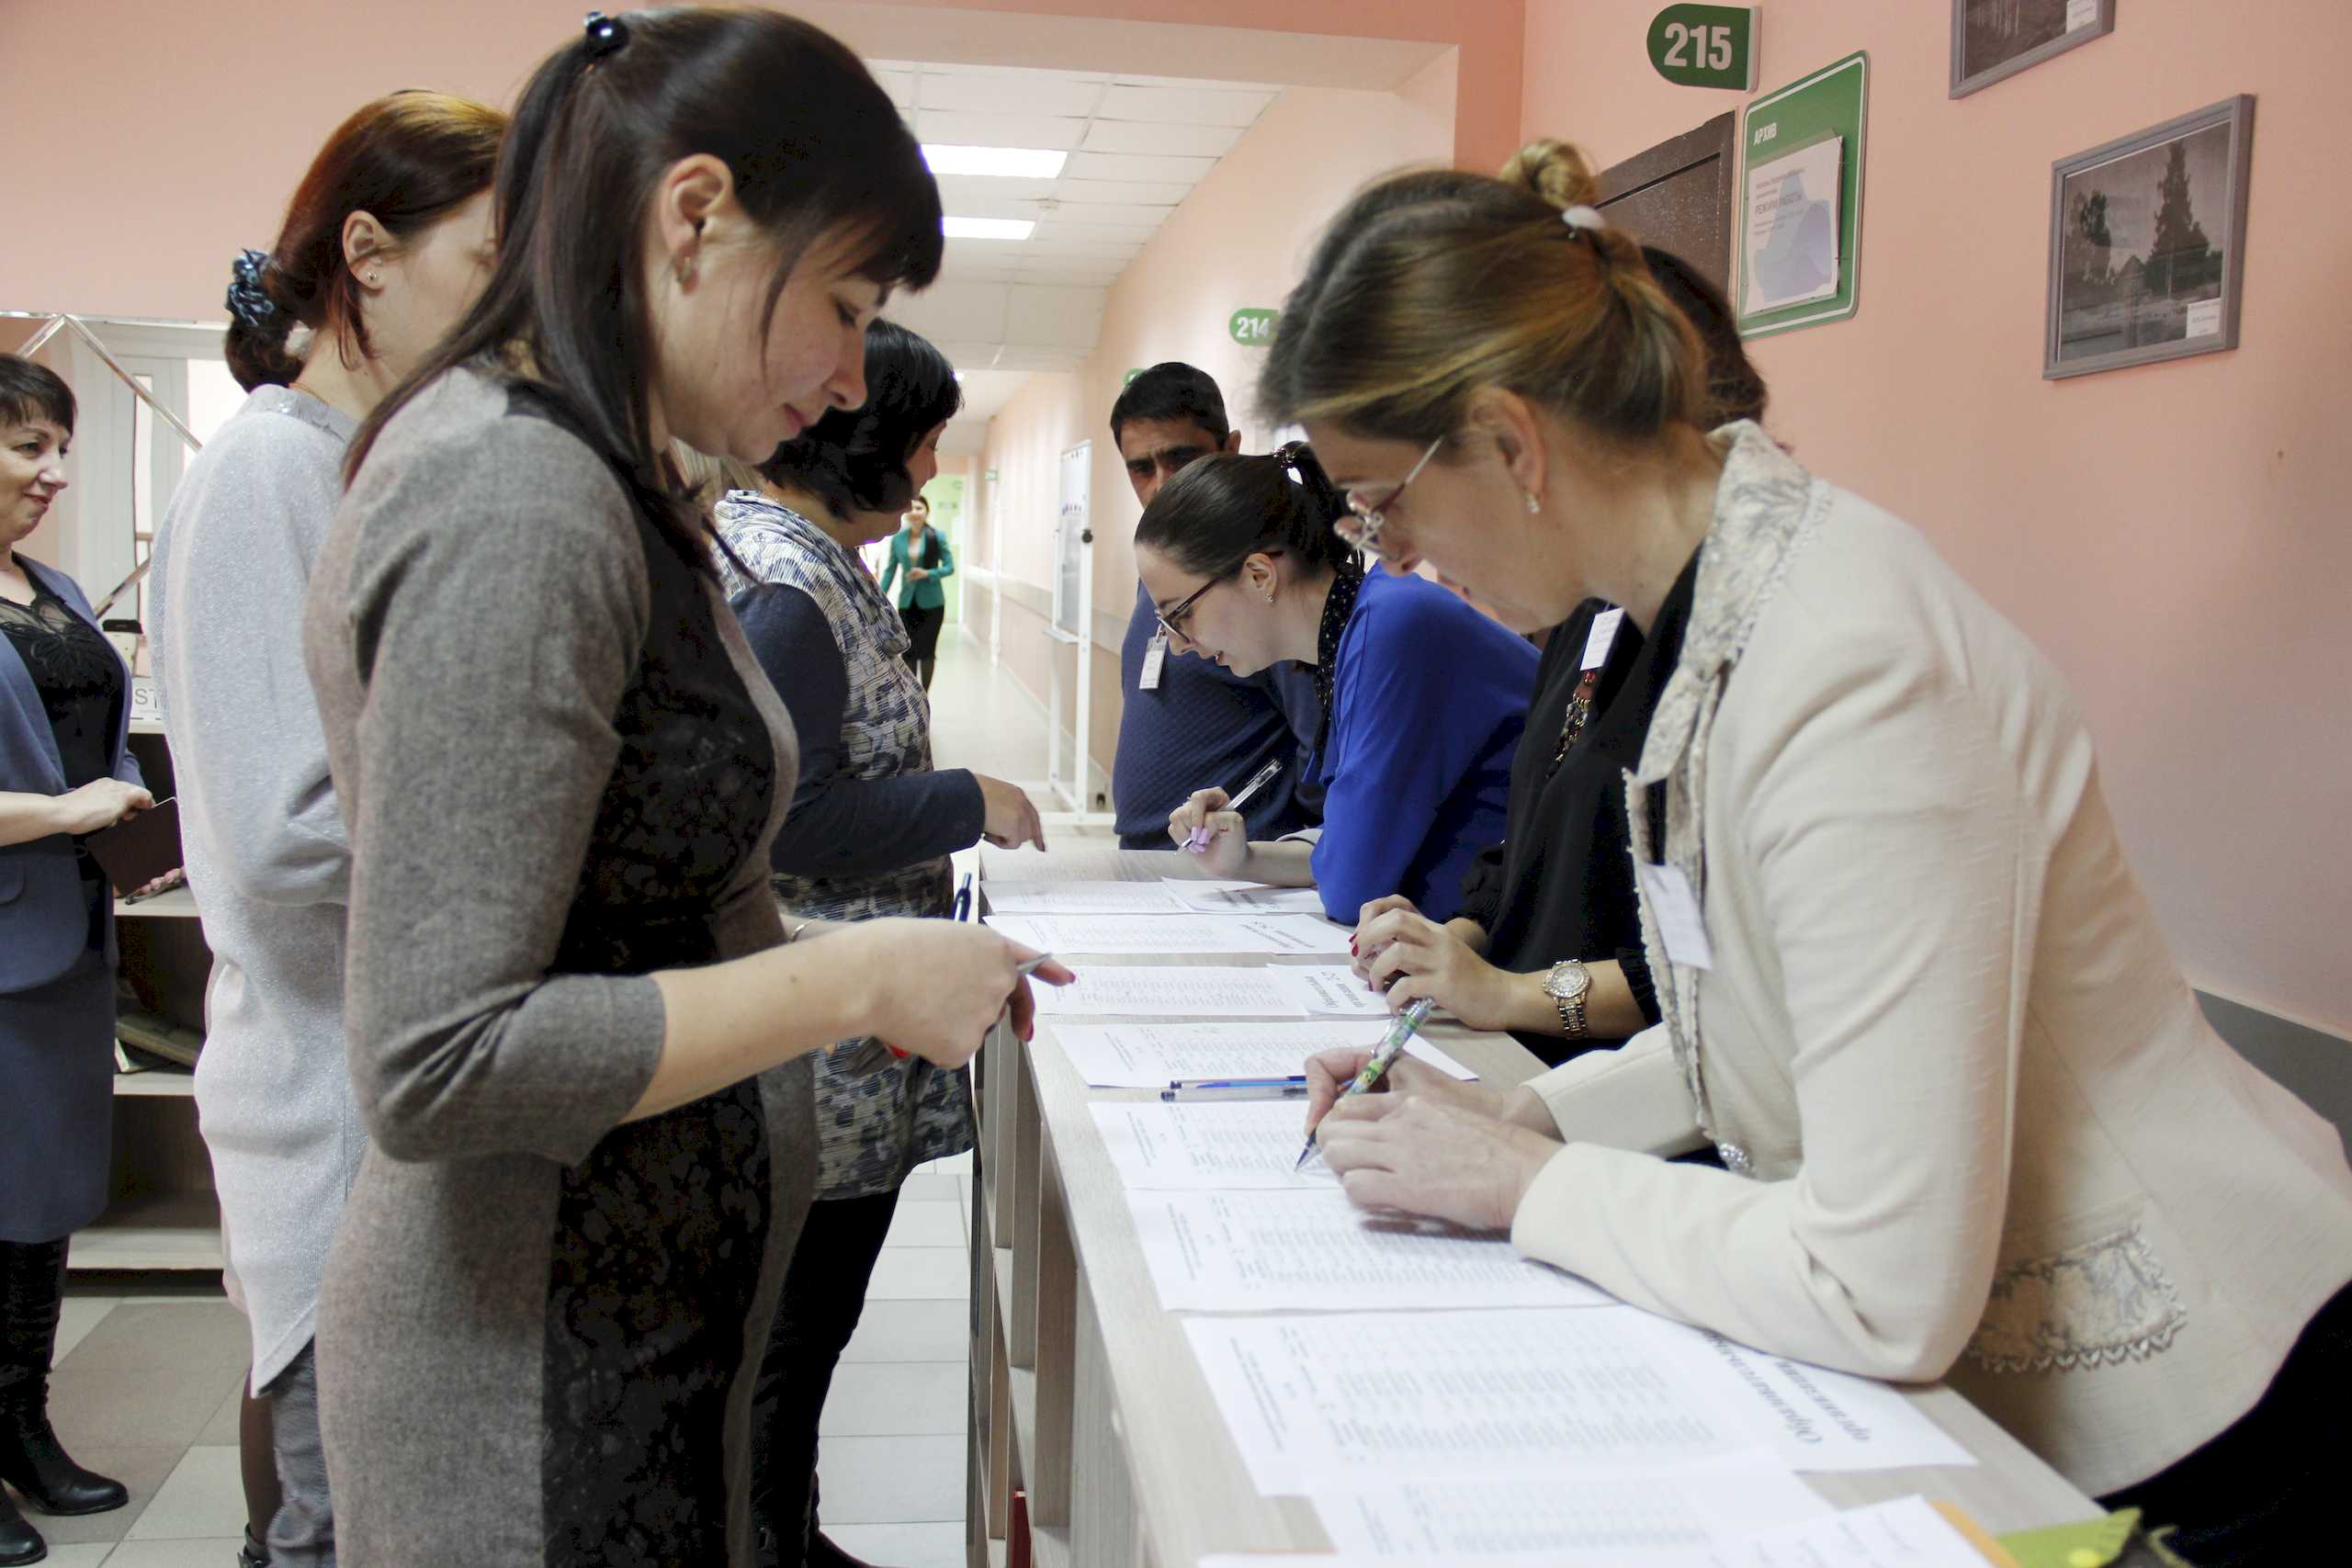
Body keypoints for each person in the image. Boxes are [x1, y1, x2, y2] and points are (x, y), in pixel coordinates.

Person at [1275, 140, 2352, 1561]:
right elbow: (1792, 1009)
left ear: (1511, 439)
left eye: (1381, 498)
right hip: (2037, 1412)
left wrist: (1530, 1187)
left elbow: (1884, 1279)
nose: (1392, 552)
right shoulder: (1710, 615)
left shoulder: (1851, 665)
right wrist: (1523, 1118)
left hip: (2213, 1413)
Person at [299, 12, 1067, 1565]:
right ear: (694, 214)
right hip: (530, 1389)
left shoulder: (617, 481)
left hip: (635, 1336)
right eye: (841, 306)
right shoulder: (514, 494)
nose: (851, 381)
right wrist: (850, 973)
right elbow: (441, 1056)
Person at [147, 87, 506, 1568]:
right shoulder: (265, 473)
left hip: (388, 1096)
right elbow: (291, 830)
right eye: (489, 266)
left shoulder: (353, 469)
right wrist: (536, 824)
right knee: (337, 1512)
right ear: (367, 250)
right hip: (325, 1102)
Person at [713, 319, 1044, 1567]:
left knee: (805, 1329)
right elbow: (788, 825)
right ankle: (767, 1541)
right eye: (922, 444)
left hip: (842, 1021)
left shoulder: (794, 551)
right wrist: (966, 799)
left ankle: (788, 1526)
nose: (931, 470)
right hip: (825, 1035)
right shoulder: (792, 591)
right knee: (796, 1328)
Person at [1352, 232, 1770, 1066]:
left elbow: (1696, 987)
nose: (1403, 555)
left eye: (1406, 501)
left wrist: (1502, 994)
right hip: (1570, 1082)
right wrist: (1451, 943)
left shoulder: (1763, 641)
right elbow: (1538, 831)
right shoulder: (1594, 611)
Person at [1149, 445, 1535, 923]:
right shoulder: (1356, 632)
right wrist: (1245, 859)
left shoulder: (1395, 627)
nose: (1178, 645)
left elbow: (1352, 883)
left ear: (1258, 575)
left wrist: (1327, 859)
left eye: (1180, 614)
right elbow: (1346, 845)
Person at [0, 355, 146, 1566]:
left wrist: (126, 792)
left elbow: (98, 729)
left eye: (60, 446)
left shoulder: (51, 589)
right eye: (26, 448)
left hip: (66, 934)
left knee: (40, 1205)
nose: (53, 473)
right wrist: (66, 811)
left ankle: (23, 1422)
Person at [1109, 364, 1321, 848]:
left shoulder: (1265, 576)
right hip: (1160, 860)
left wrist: (1285, 852)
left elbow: (1321, 757)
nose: (1161, 485)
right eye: (1142, 468)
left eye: (1181, 458)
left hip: (1232, 870)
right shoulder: (1170, 563)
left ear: (1231, 449)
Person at [876, 491, 951, 689]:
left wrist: (928, 573)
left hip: (933, 603)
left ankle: (925, 696)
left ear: (927, 511)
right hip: (907, 603)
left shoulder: (936, 536)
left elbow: (949, 567)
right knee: (908, 652)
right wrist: (876, 596)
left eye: (920, 508)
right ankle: (913, 696)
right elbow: (890, 570)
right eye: (912, 508)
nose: (915, 512)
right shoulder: (898, 539)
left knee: (927, 652)